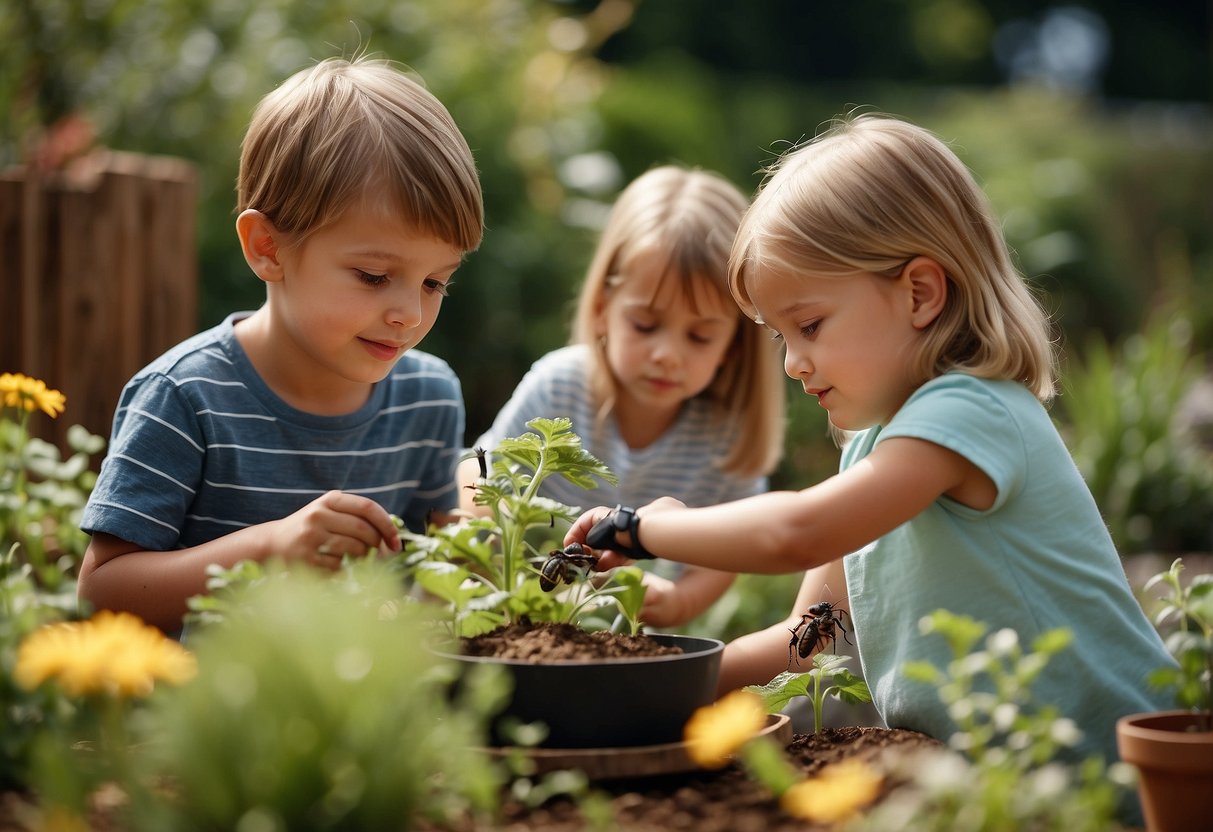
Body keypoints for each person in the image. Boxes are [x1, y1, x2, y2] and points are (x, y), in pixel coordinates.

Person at [565, 115, 1175, 817]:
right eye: (778, 336)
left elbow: (797, 531)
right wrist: (653, 682)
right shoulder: (876, 447)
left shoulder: (970, 413)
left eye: (810, 325)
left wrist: (646, 529)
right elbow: (808, 641)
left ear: (919, 293)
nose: (792, 362)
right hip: (1000, 796)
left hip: (1110, 788)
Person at [77, 56, 484, 635]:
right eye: (373, 275)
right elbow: (101, 591)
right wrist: (268, 549)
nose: (410, 313)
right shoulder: (186, 397)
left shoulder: (429, 397)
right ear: (267, 247)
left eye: (435, 281)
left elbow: (440, 573)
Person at [460, 165, 786, 628]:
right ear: (601, 310)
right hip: (511, 619)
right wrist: (490, 534)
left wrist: (680, 602)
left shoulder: (724, 435)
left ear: (733, 347)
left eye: (699, 337)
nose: (667, 355)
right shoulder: (560, 384)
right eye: (645, 325)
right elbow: (478, 468)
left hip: (622, 643)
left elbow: (729, 549)